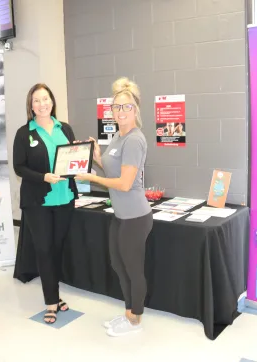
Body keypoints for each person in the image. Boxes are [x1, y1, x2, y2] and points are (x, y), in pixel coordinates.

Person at [76, 77, 153, 337]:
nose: (121, 111)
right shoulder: (117, 137)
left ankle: (135, 320)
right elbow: (111, 171)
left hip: (135, 217)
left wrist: (90, 177)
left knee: (133, 269)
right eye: (117, 107)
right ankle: (128, 313)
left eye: (126, 107)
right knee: (119, 266)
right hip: (120, 216)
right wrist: (96, 158)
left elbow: (124, 183)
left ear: (136, 110)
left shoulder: (134, 140)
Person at [13, 83, 78, 324]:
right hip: (38, 201)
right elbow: (19, 167)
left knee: (57, 248)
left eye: (46, 99)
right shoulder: (24, 133)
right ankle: (51, 302)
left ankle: (55, 293)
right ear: (31, 106)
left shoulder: (65, 129)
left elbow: (72, 158)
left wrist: (79, 159)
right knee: (44, 249)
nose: (43, 104)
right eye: (37, 100)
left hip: (64, 198)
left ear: (52, 101)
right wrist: (43, 177)